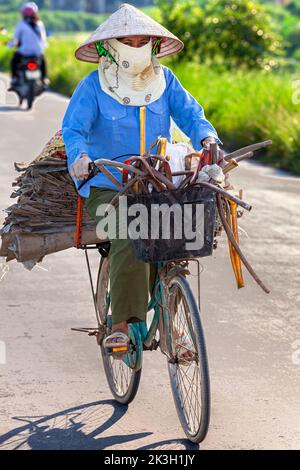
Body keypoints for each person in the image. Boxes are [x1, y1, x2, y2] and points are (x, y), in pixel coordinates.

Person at [62, 3, 222, 354]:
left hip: (156, 182)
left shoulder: (166, 83)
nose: (136, 46)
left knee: (178, 236)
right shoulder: (93, 87)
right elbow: (74, 130)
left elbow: (192, 116)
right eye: (128, 40)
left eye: (142, 40)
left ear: (153, 45)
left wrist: (208, 139)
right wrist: (81, 158)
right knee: (129, 229)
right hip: (108, 185)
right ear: (110, 46)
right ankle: (119, 323)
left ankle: (169, 318)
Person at [8, 2, 48, 88]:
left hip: (24, 52)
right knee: (43, 61)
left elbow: (15, 39)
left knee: (14, 60)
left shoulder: (21, 24)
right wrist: (43, 47)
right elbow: (43, 38)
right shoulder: (39, 24)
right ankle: (44, 78)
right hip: (37, 52)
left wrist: (10, 45)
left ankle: (14, 78)